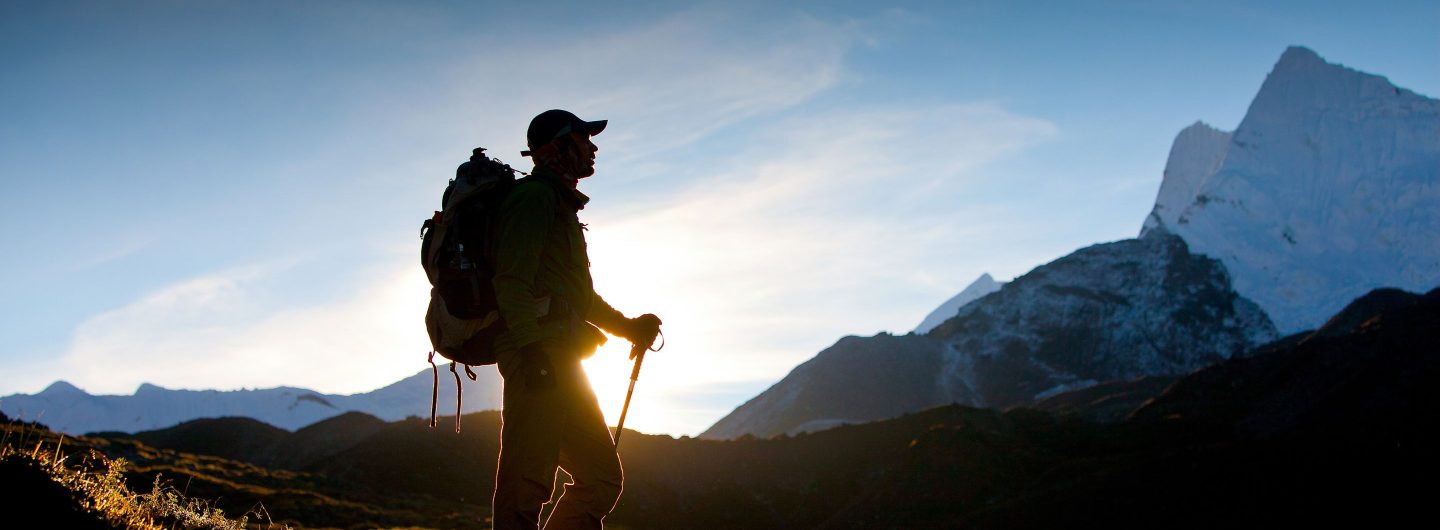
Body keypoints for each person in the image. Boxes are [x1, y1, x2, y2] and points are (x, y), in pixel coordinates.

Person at [489, 109, 661, 530]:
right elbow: (510, 281)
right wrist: (532, 352)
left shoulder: (561, 208)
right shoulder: (533, 199)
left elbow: (580, 299)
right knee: (526, 483)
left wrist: (629, 328)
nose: (594, 146)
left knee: (601, 479)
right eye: (584, 138)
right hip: (538, 355)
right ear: (557, 147)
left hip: (561, 357)